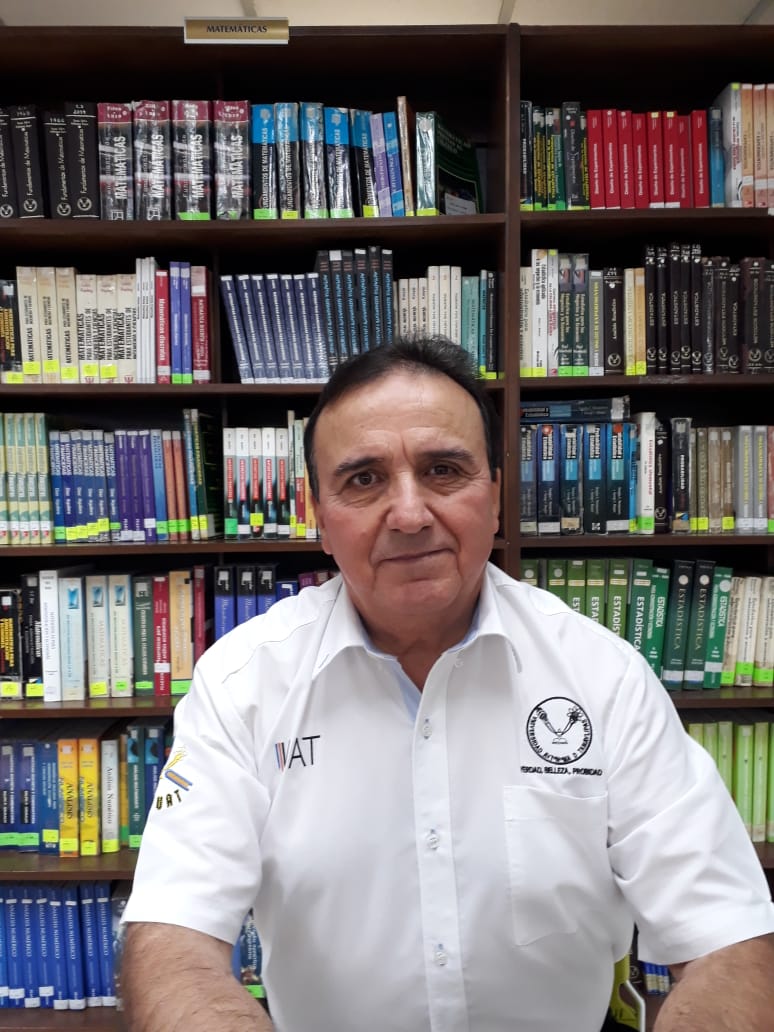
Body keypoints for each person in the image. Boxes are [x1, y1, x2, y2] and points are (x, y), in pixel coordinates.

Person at [122, 335, 774, 1032]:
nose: (409, 515)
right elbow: (172, 941)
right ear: (318, 516)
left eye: (443, 470)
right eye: (363, 479)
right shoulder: (242, 684)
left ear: (494, 495)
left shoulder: (603, 676)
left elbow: (729, 939)